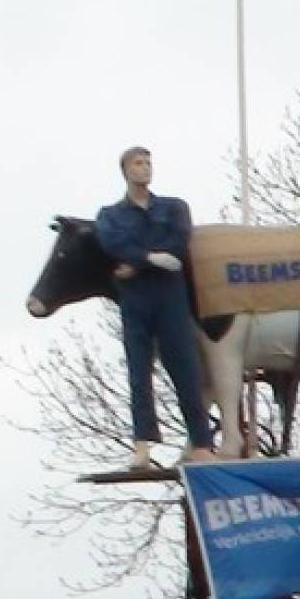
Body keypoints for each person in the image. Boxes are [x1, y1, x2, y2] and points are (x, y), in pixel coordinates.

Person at [93, 145, 213, 467]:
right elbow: (111, 242)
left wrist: (136, 263)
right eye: (138, 163)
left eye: (148, 162)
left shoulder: (173, 207)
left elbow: (178, 243)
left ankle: (201, 441)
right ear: (125, 170)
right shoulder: (111, 215)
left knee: (185, 367)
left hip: (170, 297)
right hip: (135, 299)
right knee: (138, 370)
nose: (145, 168)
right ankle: (142, 445)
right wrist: (148, 259)